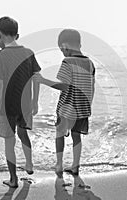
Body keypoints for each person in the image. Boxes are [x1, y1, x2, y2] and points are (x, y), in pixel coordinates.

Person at [34, 29, 95, 177]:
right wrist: (88, 105)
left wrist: (43, 81)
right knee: (76, 136)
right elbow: (91, 87)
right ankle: (75, 166)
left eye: (61, 49)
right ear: (79, 44)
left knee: (59, 134)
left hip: (67, 107)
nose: (62, 52)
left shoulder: (67, 61)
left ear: (65, 46)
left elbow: (64, 86)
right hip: (83, 107)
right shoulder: (90, 63)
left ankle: (59, 164)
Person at [0, 16, 41, 187]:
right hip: (25, 105)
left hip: (7, 108)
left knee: (9, 141)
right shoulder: (28, 53)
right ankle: (29, 164)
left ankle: (13, 179)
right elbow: (37, 78)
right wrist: (35, 101)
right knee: (23, 133)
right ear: (17, 35)